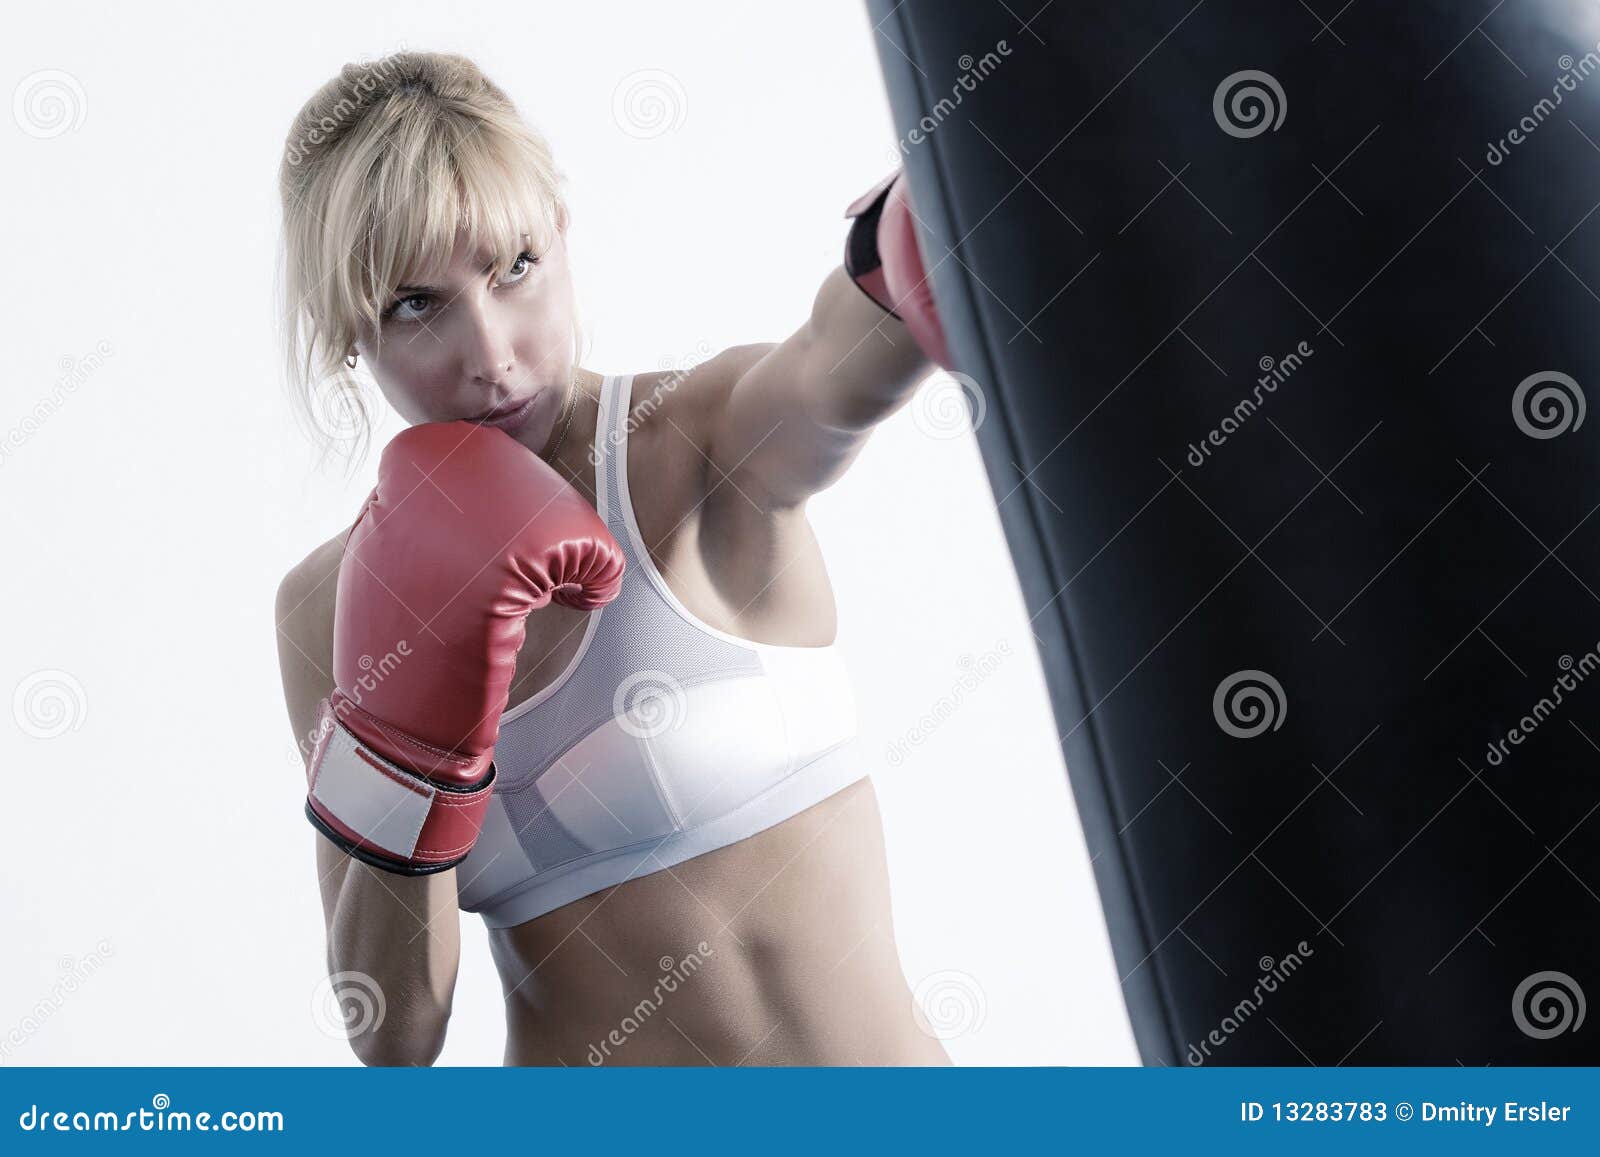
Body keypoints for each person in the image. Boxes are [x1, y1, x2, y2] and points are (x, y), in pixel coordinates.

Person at [273, 50, 951, 1066]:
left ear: (561, 232)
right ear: (344, 333)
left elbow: (829, 370)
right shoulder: (324, 606)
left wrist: (933, 219)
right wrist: (408, 751)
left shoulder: (697, 441)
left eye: (514, 266)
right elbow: (394, 1030)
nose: (492, 354)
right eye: (416, 304)